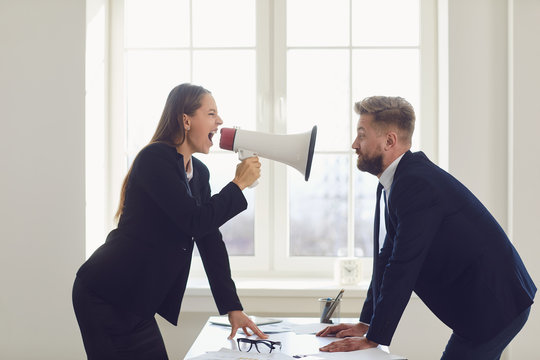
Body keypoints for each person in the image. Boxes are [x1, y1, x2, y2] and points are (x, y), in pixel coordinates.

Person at [317, 96, 536, 359]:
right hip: (490, 299)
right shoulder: (405, 178)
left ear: (390, 141)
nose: (355, 144)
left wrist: (374, 337)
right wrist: (367, 323)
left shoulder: (414, 185)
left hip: (496, 303)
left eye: (361, 135)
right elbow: (387, 256)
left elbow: (402, 267)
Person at [72, 83, 267, 359]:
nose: (220, 121)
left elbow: (209, 238)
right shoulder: (155, 159)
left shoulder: (198, 173)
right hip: (106, 294)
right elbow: (193, 221)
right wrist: (237, 185)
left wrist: (232, 307)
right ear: (186, 120)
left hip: (136, 302)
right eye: (211, 113)